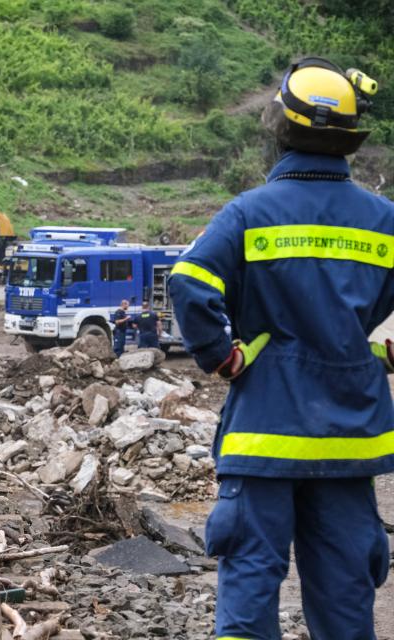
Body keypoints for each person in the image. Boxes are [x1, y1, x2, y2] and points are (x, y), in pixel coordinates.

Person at [168, 56, 391, 639]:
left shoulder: (248, 214)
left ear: (281, 128)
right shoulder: (384, 222)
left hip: (263, 439)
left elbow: (190, 283)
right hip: (349, 445)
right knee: (346, 604)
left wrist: (220, 354)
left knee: (248, 596)